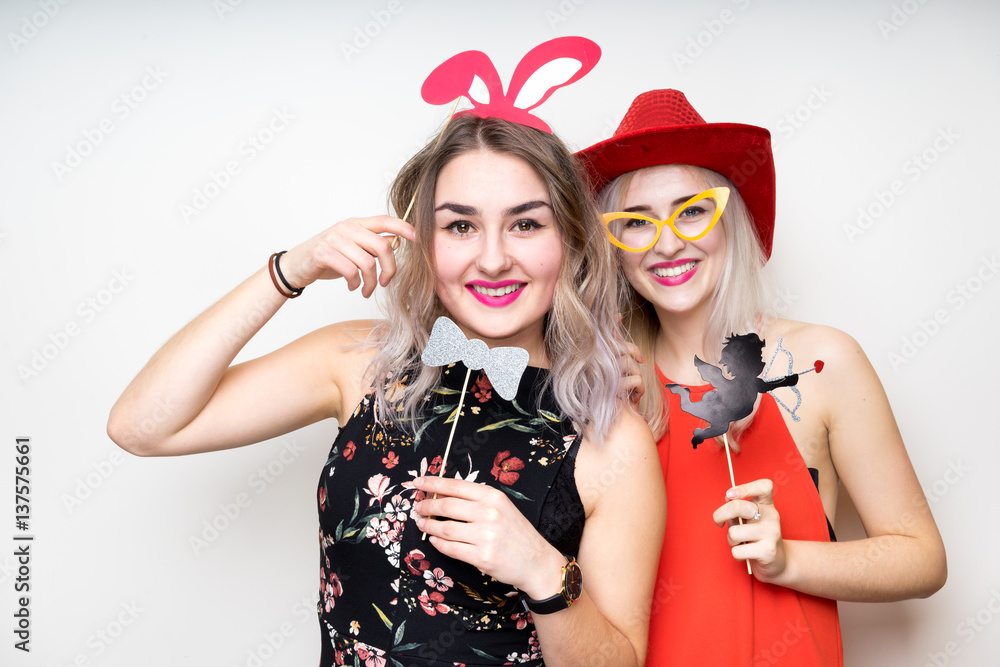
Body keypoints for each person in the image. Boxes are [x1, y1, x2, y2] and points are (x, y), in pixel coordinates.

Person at [107, 112, 665, 666]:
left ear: (568, 240)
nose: (493, 259)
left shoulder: (612, 441)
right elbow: (143, 427)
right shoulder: (359, 363)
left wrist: (542, 572)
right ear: (423, 243)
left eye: (525, 224)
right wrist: (288, 271)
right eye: (461, 226)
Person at [575, 89, 946, 666]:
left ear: (734, 219)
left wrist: (789, 561)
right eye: (636, 223)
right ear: (612, 247)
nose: (668, 242)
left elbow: (922, 559)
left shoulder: (823, 361)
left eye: (693, 210)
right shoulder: (602, 381)